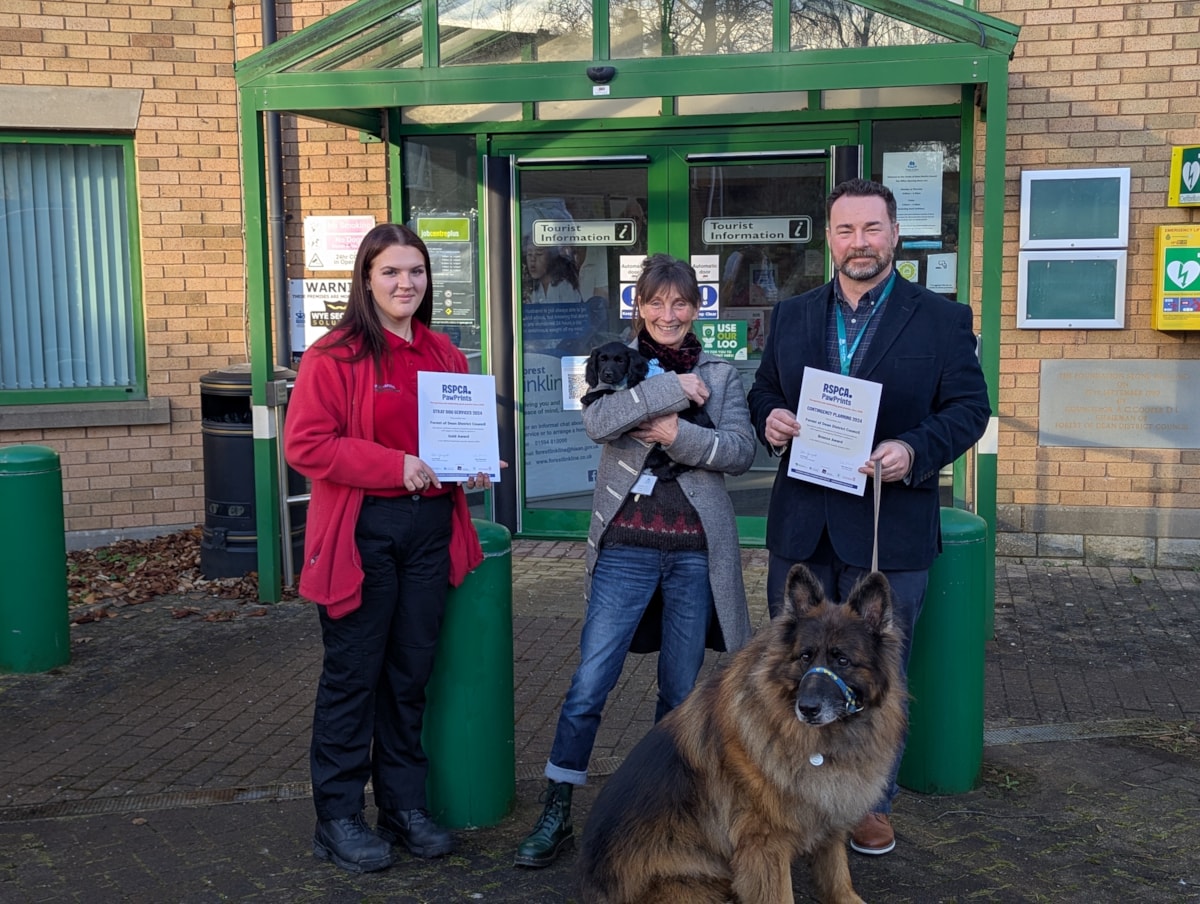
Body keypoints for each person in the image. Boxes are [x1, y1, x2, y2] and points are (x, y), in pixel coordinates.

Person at [746, 178, 990, 857]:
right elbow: (765, 388)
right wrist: (768, 416)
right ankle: (792, 793)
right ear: (830, 238)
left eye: (872, 229)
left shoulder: (941, 320)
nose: (860, 243)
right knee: (793, 666)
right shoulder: (792, 314)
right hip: (803, 527)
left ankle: (866, 803)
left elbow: (970, 410)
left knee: (880, 674)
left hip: (891, 527)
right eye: (847, 231)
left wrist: (912, 450)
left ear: (895, 235)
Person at [514, 254, 757, 869]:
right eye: (656, 303)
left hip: (694, 556)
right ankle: (556, 809)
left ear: (696, 307)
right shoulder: (612, 360)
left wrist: (678, 436)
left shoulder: (723, 372)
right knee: (590, 684)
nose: (668, 315)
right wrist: (672, 388)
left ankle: (662, 815)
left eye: (680, 304)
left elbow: (739, 451)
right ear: (639, 307)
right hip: (625, 550)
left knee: (679, 696)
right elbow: (598, 418)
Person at [284, 223, 497, 874]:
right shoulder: (334, 356)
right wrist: (392, 466)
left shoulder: (446, 354)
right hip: (361, 534)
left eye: (416, 272)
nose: (406, 284)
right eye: (391, 272)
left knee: (408, 679)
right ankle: (338, 818)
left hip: (429, 532)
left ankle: (402, 809)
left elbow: (450, 448)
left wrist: (474, 466)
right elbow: (306, 445)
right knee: (354, 678)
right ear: (366, 280)